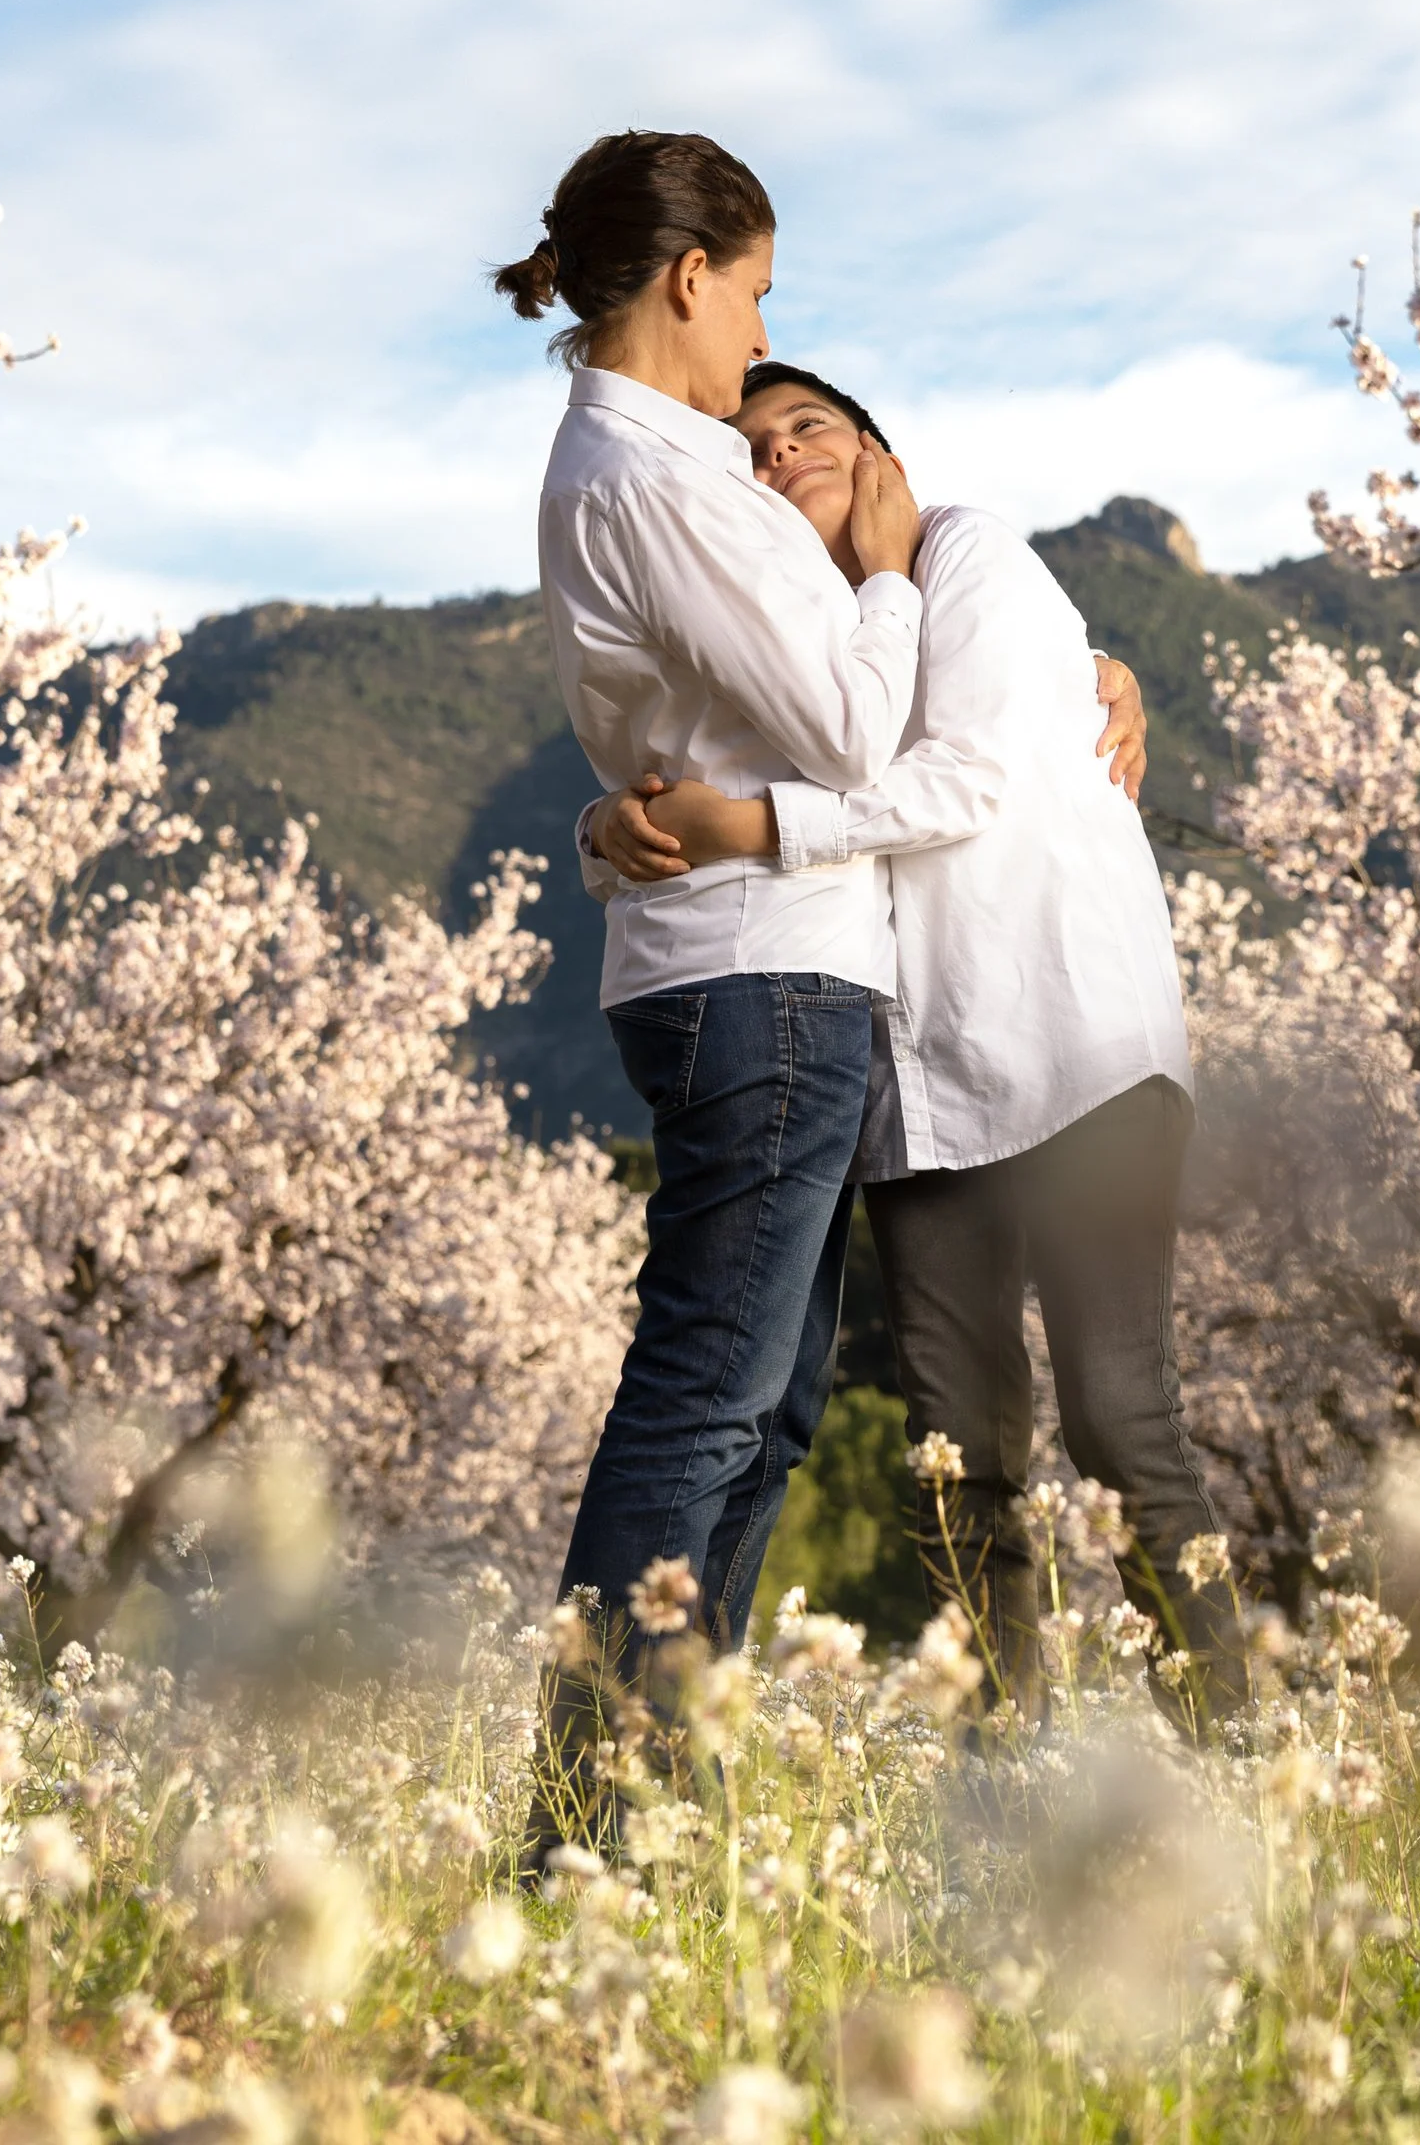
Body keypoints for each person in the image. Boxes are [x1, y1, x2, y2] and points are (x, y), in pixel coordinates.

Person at [587, 364, 1246, 1723]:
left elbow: (967, 780)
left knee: (1120, 1425)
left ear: (881, 451)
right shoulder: (805, 633)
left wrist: (756, 826)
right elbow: (669, 771)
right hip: (916, 1092)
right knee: (956, 1459)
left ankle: (1238, 1756)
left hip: (1075, 1049)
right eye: (751, 453)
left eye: (808, 430)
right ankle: (1010, 1784)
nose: (779, 461)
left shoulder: (973, 557)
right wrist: (602, 832)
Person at [498, 134, 925, 1853]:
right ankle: (593, 1825)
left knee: (762, 1406)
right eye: (755, 291)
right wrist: (889, 568)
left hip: (759, 969)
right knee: (705, 1401)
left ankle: (649, 1807)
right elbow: (848, 727)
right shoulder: (663, 473)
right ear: (690, 275)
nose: (764, 332)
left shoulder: (639, 465)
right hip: (759, 974)